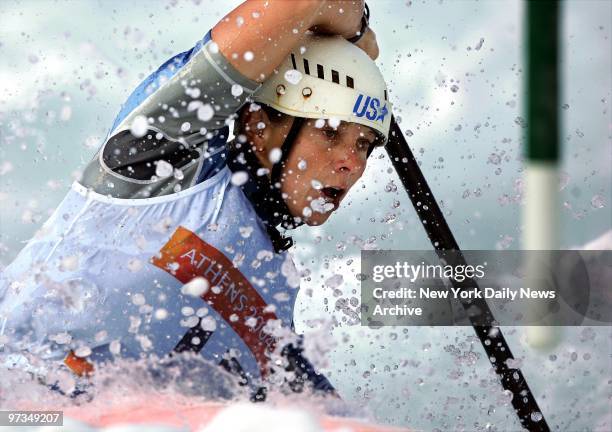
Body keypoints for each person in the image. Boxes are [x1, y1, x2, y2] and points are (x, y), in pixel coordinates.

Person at [0, 0, 391, 401]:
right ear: (257, 126)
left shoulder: (276, 299)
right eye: (330, 132)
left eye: (363, 145)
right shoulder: (163, 162)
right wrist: (358, 33)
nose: (351, 163)